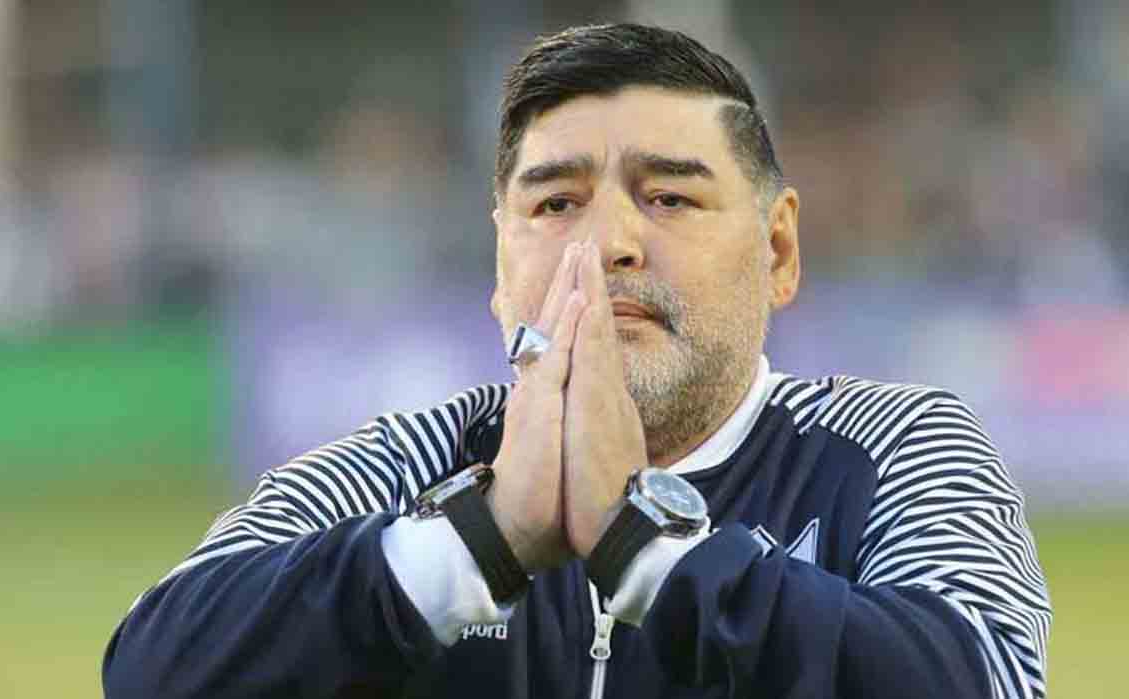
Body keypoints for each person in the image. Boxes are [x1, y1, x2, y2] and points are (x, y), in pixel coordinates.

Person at [103, 24, 1050, 699]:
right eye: (556, 205)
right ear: (500, 265)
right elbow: (152, 668)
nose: (607, 246)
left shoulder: (895, 448)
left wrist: (645, 548)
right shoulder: (411, 461)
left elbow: (990, 676)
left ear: (777, 250)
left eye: (669, 198)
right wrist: (479, 540)